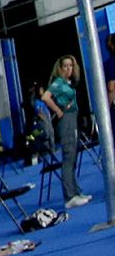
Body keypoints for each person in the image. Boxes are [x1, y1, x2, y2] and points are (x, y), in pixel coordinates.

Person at [40, 55, 90, 208]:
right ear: (60, 68)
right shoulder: (58, 82)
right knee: (68, 156)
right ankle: (69, 196)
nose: (69, 69)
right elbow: (45, 97)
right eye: (66, 66)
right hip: (65, 120)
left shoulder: (69, 82)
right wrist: (58, 110)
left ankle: (75, 191)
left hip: (72, 118)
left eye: (71, 65)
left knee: (73, 155)